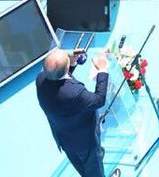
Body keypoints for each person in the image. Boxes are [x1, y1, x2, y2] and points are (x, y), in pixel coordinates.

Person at [36, 48, 119, 177]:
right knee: (93, 170)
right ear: (66, 66)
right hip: (84, 142)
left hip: (65, 137)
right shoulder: (74, 93)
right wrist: (102, 70)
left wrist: (71, 63)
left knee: (83, 167)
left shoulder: (41, 79)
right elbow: (99, 100)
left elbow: (59, 80)